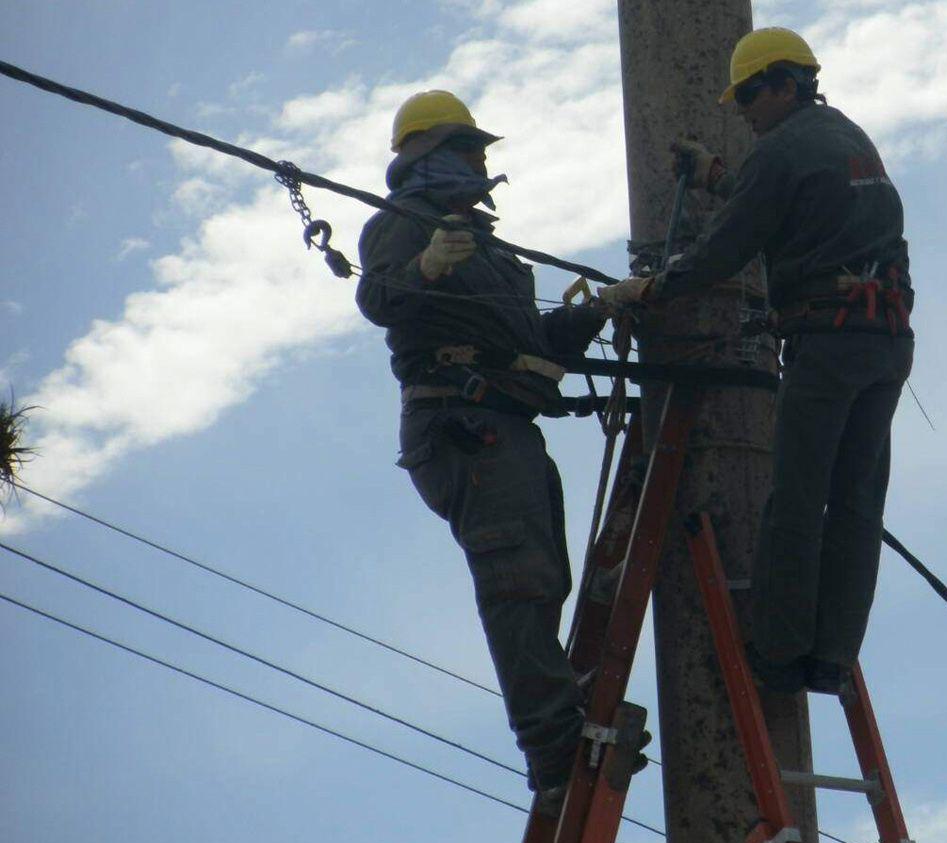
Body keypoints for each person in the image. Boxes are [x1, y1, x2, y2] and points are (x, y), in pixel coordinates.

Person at [600, 28, 916, 694]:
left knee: (798, 498)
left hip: (827, 346)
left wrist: (654, 287)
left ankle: (777, 650)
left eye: (747, 95)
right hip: (885, 343)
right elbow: (790, 199)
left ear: (781, 84)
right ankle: (831, 658)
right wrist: (719, 176)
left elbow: (724, 250)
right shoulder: (847, 137)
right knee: (857, 504)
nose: (742, 110)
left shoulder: (779, 152)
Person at [355, 90, 606, 803]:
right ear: (429, 153)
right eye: (469, 148)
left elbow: (531, 347)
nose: (481, 161)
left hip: (504, 426)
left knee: (543, 576)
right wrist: (426, 266)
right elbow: (378, 299)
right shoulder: (406, 224)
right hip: (461, 428)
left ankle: (555, 707)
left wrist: (601, 313)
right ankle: (553, 748)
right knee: (518, 582)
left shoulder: (486, 248)